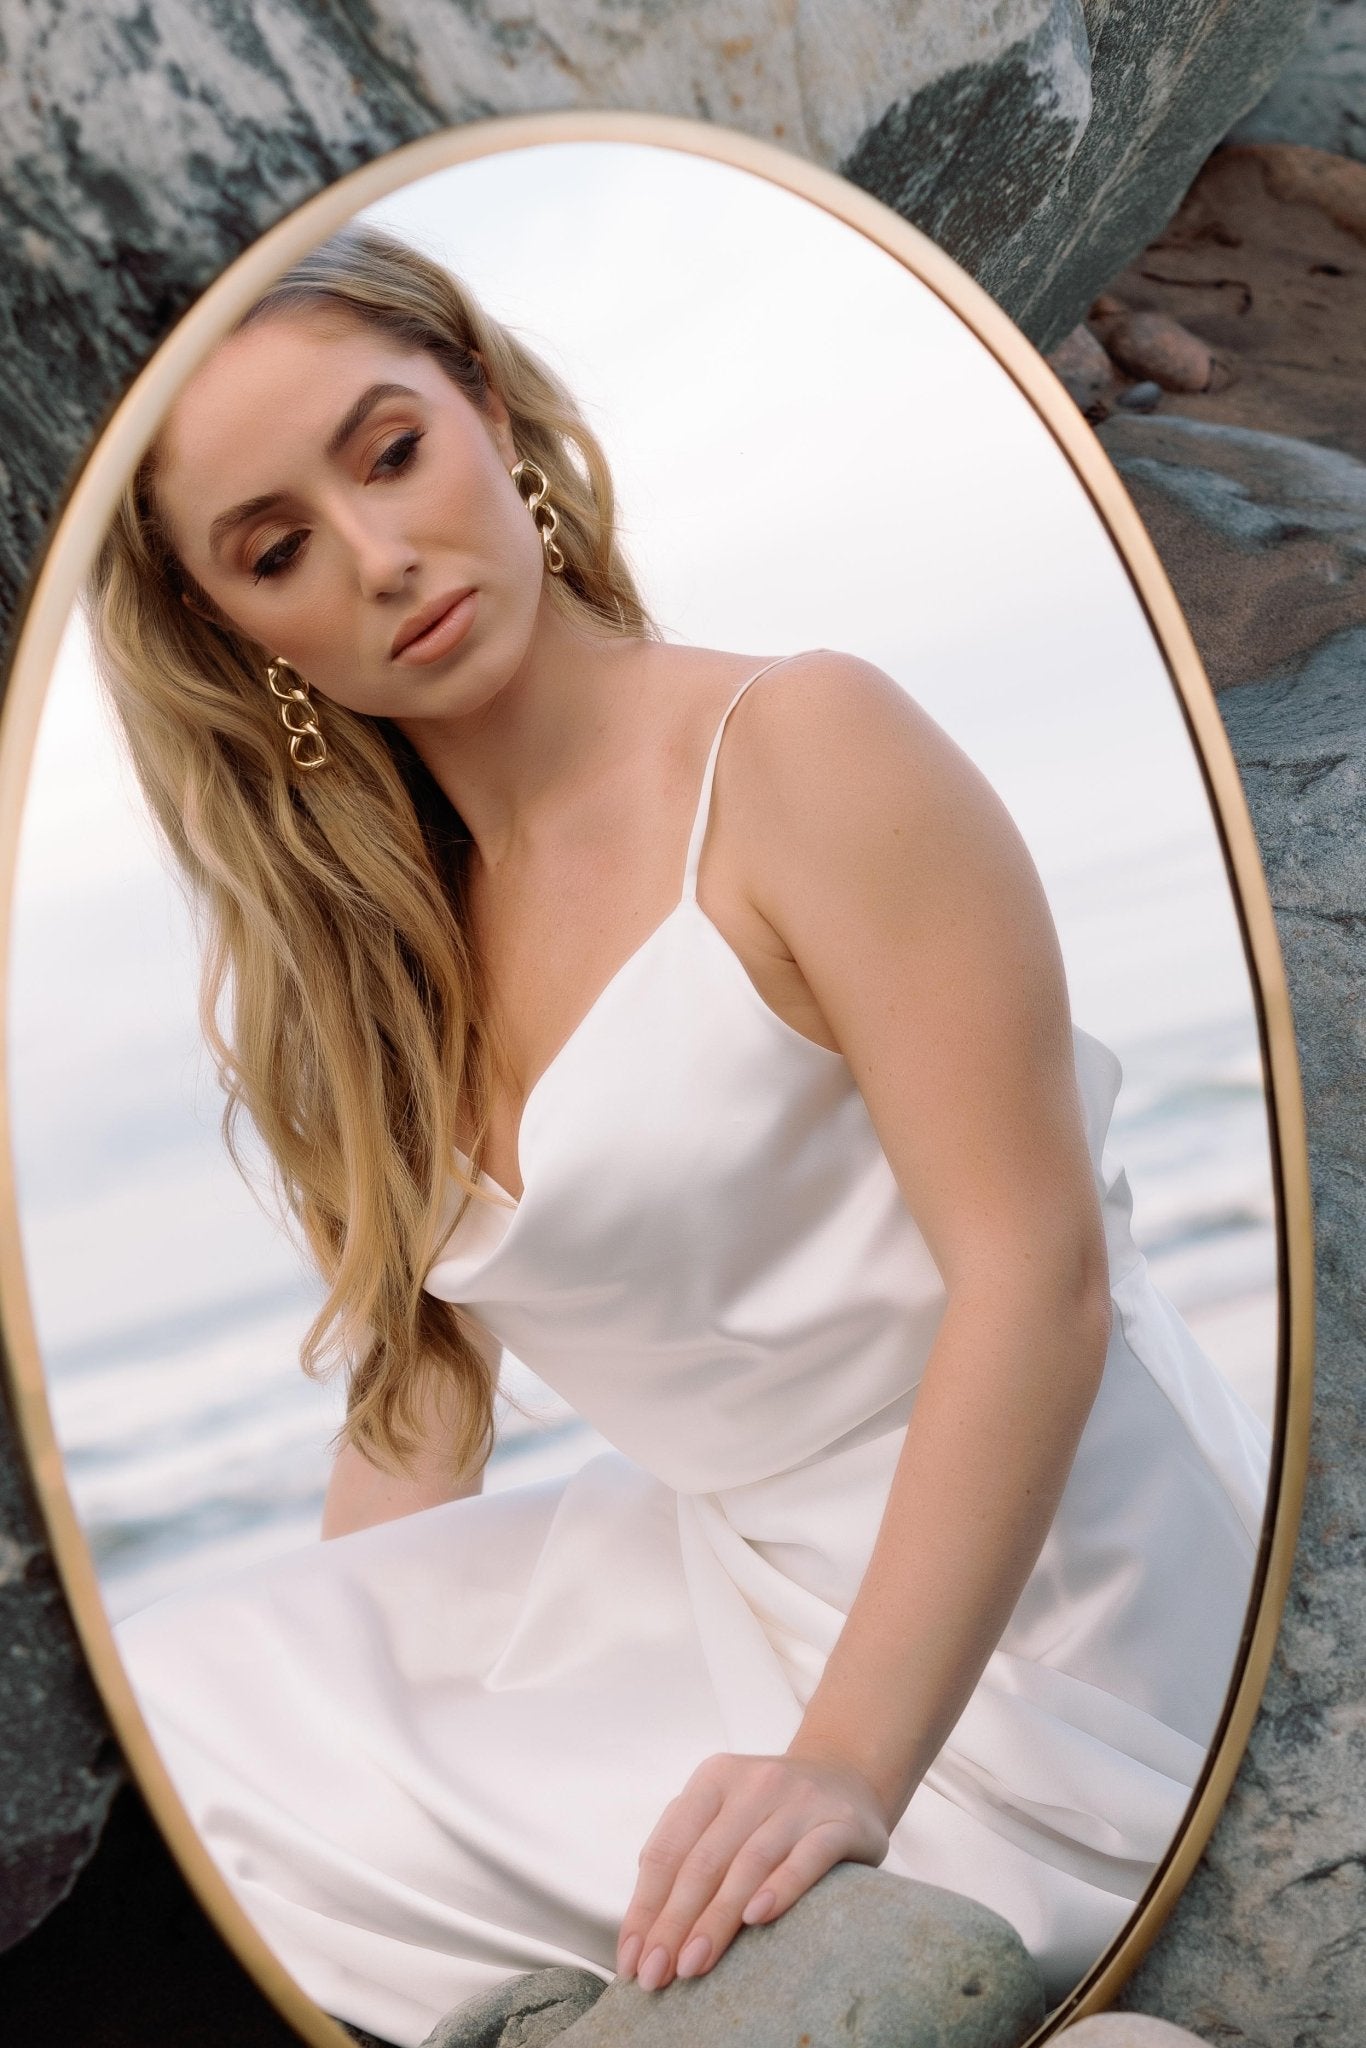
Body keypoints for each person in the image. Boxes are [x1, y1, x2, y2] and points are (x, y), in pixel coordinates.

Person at [87, 222, 1271, 2048]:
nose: (380, 555)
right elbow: (417, 1402)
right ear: (237, 634)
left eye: (389, 449)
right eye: (275, 549)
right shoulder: (387, 952)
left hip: (1029, 1594)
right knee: (180, 1730)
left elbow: (1038, 1276)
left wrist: (843, 1768)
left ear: (486, 411)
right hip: (705, 1573)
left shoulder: (803, 747)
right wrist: (350, 1691)